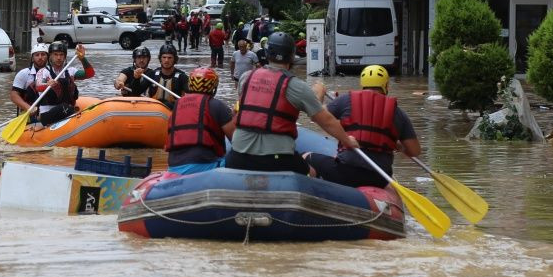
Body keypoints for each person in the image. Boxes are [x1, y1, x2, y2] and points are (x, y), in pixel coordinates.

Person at [226, 32, 359, 174]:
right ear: (291, 56)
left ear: (267, 52)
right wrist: (347, 141)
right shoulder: (296, 86)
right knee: (312, 173)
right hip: (276, 158)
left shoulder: (246, 77)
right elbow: (325, 120)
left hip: (237, 155)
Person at [305, 65, 421, 189]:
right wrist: (397, 145)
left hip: (346, 171)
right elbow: (414, 151)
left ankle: (313, 194)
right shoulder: (398, 113)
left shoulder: (346, 100)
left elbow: (317, 115)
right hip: (380, 178)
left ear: (362, 84)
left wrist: (320, 95)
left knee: (305, 157)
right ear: (386, 86)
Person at [165, 67, 236, 174]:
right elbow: (236, 140)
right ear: (213, 87)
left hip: (174, 166)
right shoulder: (217, 105)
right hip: (206, 166)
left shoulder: (177, 105)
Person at [33, 40, 95, 126]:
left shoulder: (71, 71)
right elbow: (38, 86)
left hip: (66, 111)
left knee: (68, 107)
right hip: (48, 114)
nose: (59, 58)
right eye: (55, 54)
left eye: (61, 55)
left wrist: (82, 58)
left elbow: (90, 74)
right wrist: (48, 84)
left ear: (65, 56)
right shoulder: (43, 72)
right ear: (50, 56)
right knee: (66, 107)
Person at [10, 43, 51, 114]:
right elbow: (14, 95)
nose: (40, 57)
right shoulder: (23, 74)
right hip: (30, 113)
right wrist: (28, 108)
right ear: (32, 58)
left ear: (47, 57)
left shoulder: (52, 73)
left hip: (48, 112)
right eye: (37, 55)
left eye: (43, 54)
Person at [147, 43, 189, 110]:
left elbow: (192, 94)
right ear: (160, 59)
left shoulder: (182, 77)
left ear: (174, 59)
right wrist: (136, 78)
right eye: (164, 57)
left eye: (169, 58)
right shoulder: (152, 74)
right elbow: (136, 92)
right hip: (154, 112)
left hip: (172, 112)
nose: (166, 60)